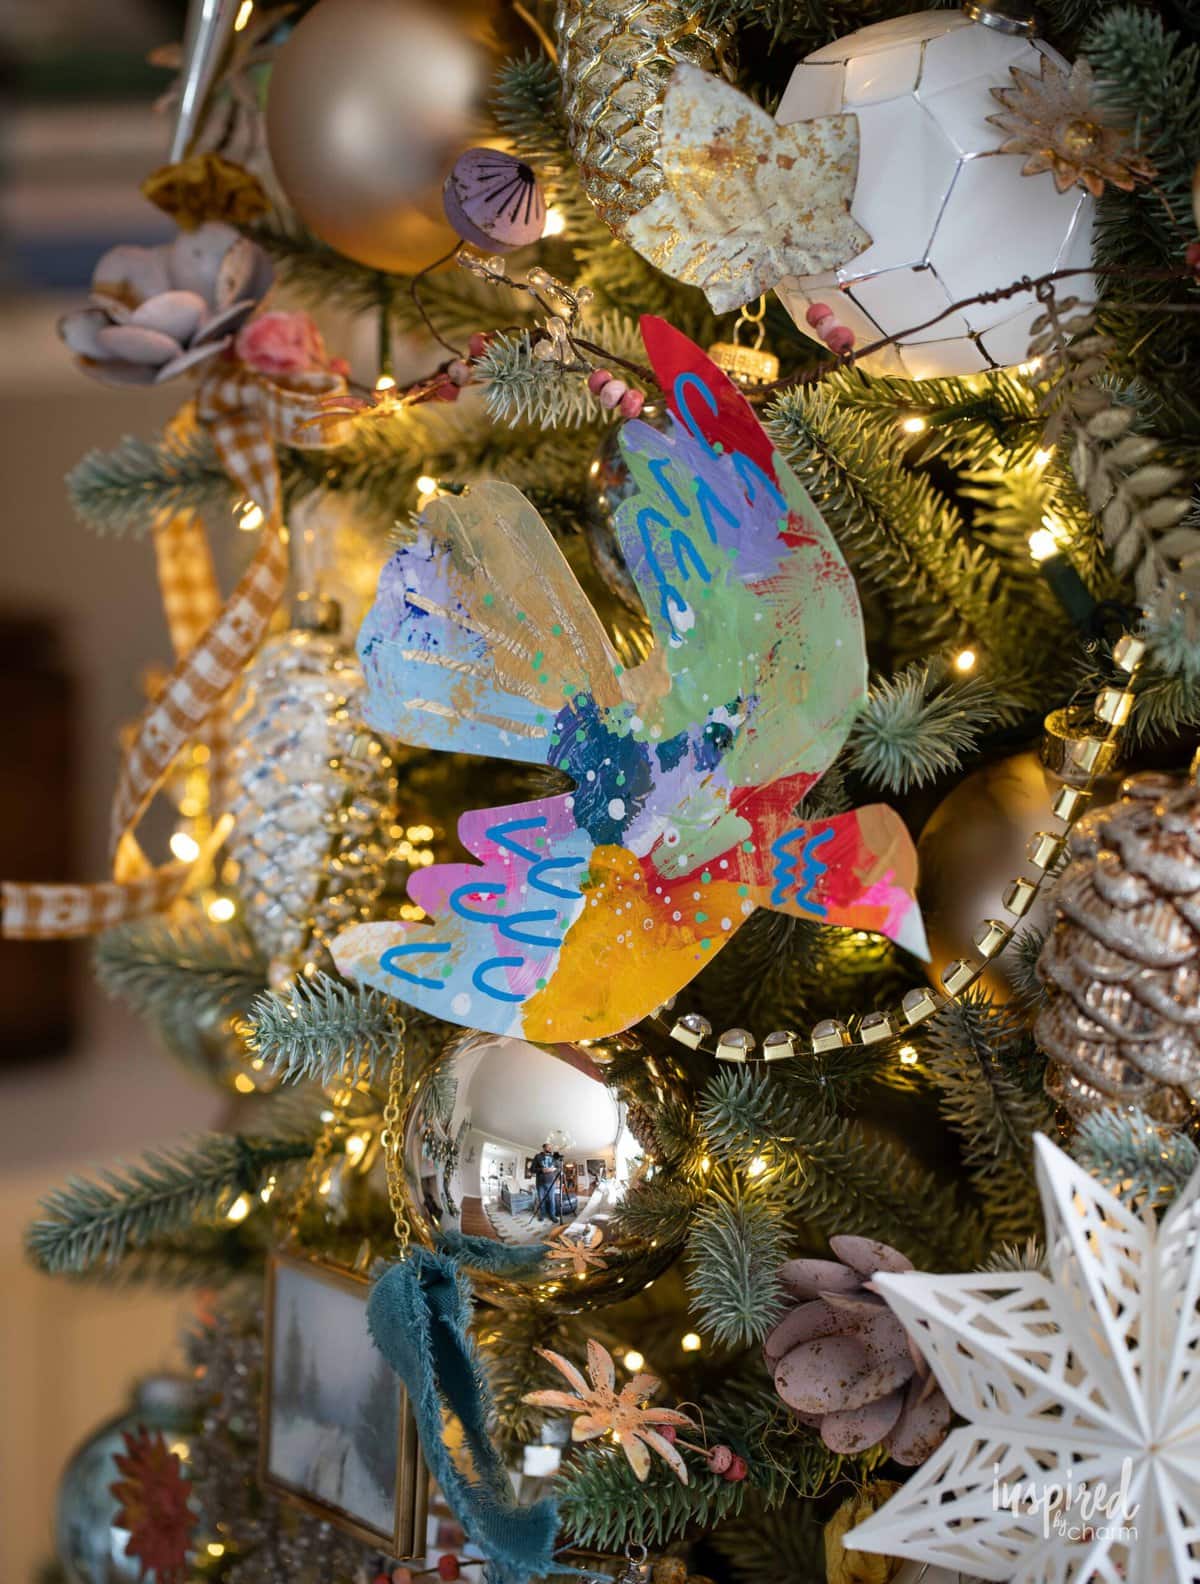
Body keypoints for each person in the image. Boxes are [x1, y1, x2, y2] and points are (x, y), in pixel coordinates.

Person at [531, 1142, 558, 1220]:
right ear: (544, 1148)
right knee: (541, 1199)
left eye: (551, 1147)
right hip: (540, 1182)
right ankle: (542, 1215)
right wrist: (542, 1170)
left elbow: (558, 1167)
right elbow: (532, 1169)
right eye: (548, 1147)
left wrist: (554, 1169)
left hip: (551, 1182)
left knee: (552, 1199)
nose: (550, 1148)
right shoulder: (538, 1156)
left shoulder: (554, 1157)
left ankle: (552, 1215)